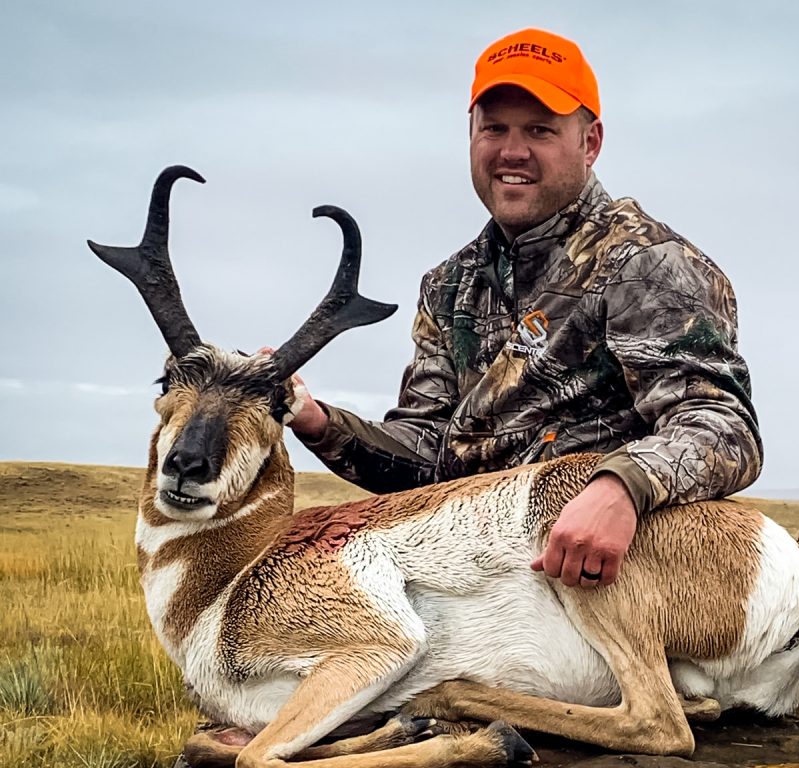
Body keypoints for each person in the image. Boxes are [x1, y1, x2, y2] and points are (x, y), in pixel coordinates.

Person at [284, 28, 763, 590]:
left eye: (539, 130)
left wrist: (620, 487)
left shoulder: (646, 264)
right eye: (495, 128)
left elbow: (722, 428)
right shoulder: (450, 284)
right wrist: (315, 420)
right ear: (471, 135)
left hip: (610, 585)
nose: (512, 151)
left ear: (590, 143)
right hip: (483, 583)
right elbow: (429, 457)